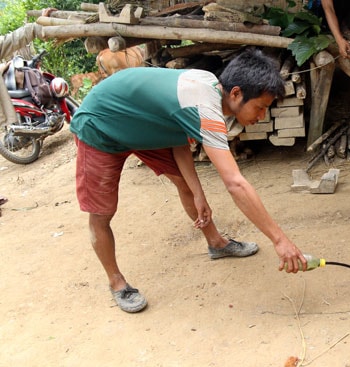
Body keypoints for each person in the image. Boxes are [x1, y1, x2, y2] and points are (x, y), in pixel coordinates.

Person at [70, 49, 308, 313]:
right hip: (102, 125)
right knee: (102, 213)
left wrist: (197, 192)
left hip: (145, 126)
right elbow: (235, 183)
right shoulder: (206, 108)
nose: (262, 116)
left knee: (186, 187)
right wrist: (280, 240)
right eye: (260, 107)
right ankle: (116, 282)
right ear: (236, 93)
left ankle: (217, 244)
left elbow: (178, 138)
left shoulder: (208, 87)